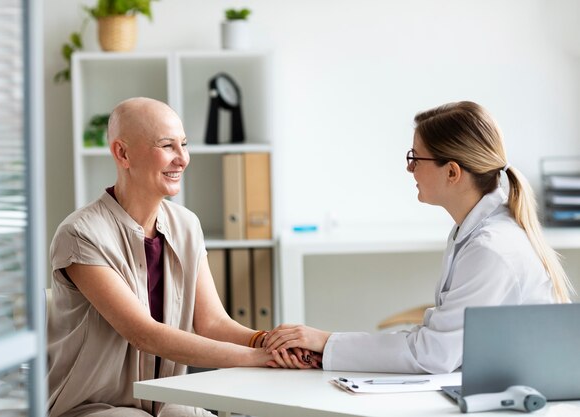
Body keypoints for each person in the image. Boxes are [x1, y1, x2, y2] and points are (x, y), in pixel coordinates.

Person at [263, 100, 575, 374]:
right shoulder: (474, 232)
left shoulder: (491, 248)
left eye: (416, 157)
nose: (409, 168)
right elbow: (438, 343)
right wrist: (327, 346)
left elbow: (433, 354)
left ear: (452, 172)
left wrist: (325, 341)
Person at [46, 97, 299, 417]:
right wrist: (258, 359)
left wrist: (270, 343)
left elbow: (212, 322)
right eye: (167, 145)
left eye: (184, 144)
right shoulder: (81, 234)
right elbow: (143, 334)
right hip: (94, 406)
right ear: (122, 153)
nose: (182, 159)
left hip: (166, 401)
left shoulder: (186, 225)